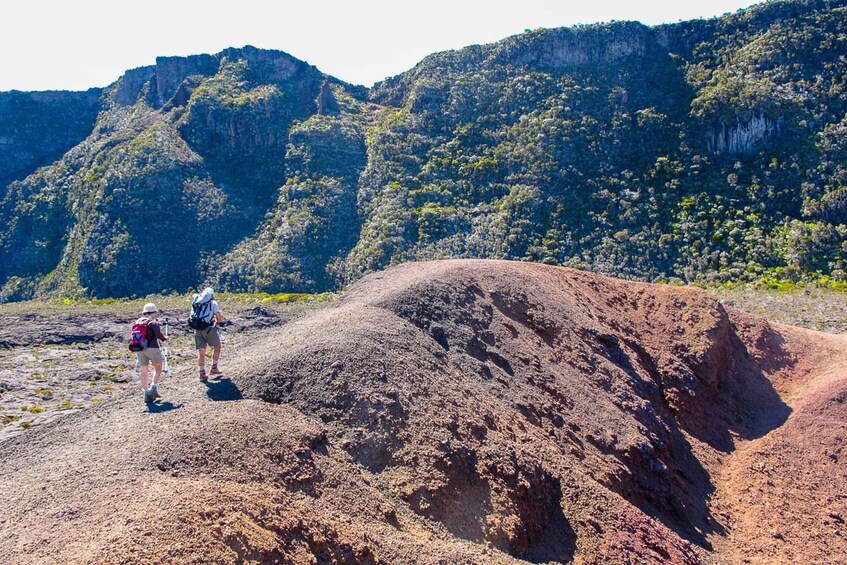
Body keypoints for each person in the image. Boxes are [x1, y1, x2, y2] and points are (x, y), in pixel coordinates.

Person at [135, 303, 169, 403]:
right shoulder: (153, 322)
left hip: (140, 349)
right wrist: (165, 339)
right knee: (158, 368)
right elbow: (158, 334)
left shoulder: (138, 321)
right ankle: (153, 388)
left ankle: (146, 393)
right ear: (153, 312)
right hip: (153, 348)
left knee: (144, 372)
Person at [191, 287, 223, 381]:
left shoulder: (196, 303)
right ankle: (214, 367)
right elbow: (218, 316)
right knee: (217, 347)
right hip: (209, 329)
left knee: (201, 353)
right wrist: (216, 323)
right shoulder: (213, 303)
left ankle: (202, 373)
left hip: (197, 330)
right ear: (212, 295)